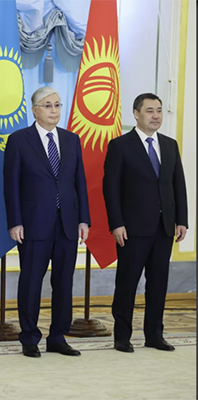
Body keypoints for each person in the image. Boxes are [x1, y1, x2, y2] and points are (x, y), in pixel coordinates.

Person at [3, 86, 90, 358]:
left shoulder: (71, 140)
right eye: (48, 105)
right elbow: (11, 185)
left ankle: (57, 337)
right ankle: (29, 337)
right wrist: (15, 221)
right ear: (35, 110)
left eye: (58, 105)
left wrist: (83, 219)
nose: (54, 110)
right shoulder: (19, 140)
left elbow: (79, 182)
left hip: (67, 223)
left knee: (63, 283)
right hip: (33, 224)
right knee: (31, 283)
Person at [103, 93, 188, 353]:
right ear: (136, 114)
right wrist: (116, 223)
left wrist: (182, 220)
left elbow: (178, 185)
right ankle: (122, 337)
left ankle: (154, 335)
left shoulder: (170, 145)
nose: (156, 115)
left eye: (159, 110)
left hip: (164, 228)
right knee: (127, 284)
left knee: (158, 284)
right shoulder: (120, 146)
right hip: (131, 229)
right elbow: (110, 189)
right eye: (150, 110)